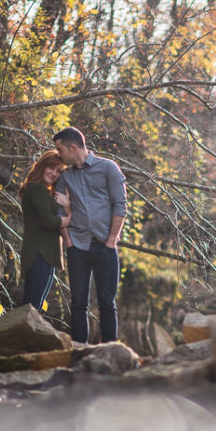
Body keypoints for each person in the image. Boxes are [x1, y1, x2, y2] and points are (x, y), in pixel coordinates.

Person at [52, 126, 127, 343]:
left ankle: (111, 351)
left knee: (107, 303)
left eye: (60, 149)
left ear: (72, 147)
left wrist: (112, 240)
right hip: (78, 247)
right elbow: (60, 211)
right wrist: (68, 241)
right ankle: (79, 353)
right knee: (78, 303)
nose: (58, 154)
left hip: (106, 246)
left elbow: (120, 205)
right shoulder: (65, 177)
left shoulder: (108, 168)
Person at [19, 151, 71, 311]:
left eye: (58, 171)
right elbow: (48, 221)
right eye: (51, 168)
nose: (54, 174)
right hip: (39, 253)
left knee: (34, 304)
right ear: (42, 166)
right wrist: (71, 219)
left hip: (45, 254)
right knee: (32, 306)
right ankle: (20, 335)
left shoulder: (44, 191)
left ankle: (22, 334)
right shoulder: (37, 189)